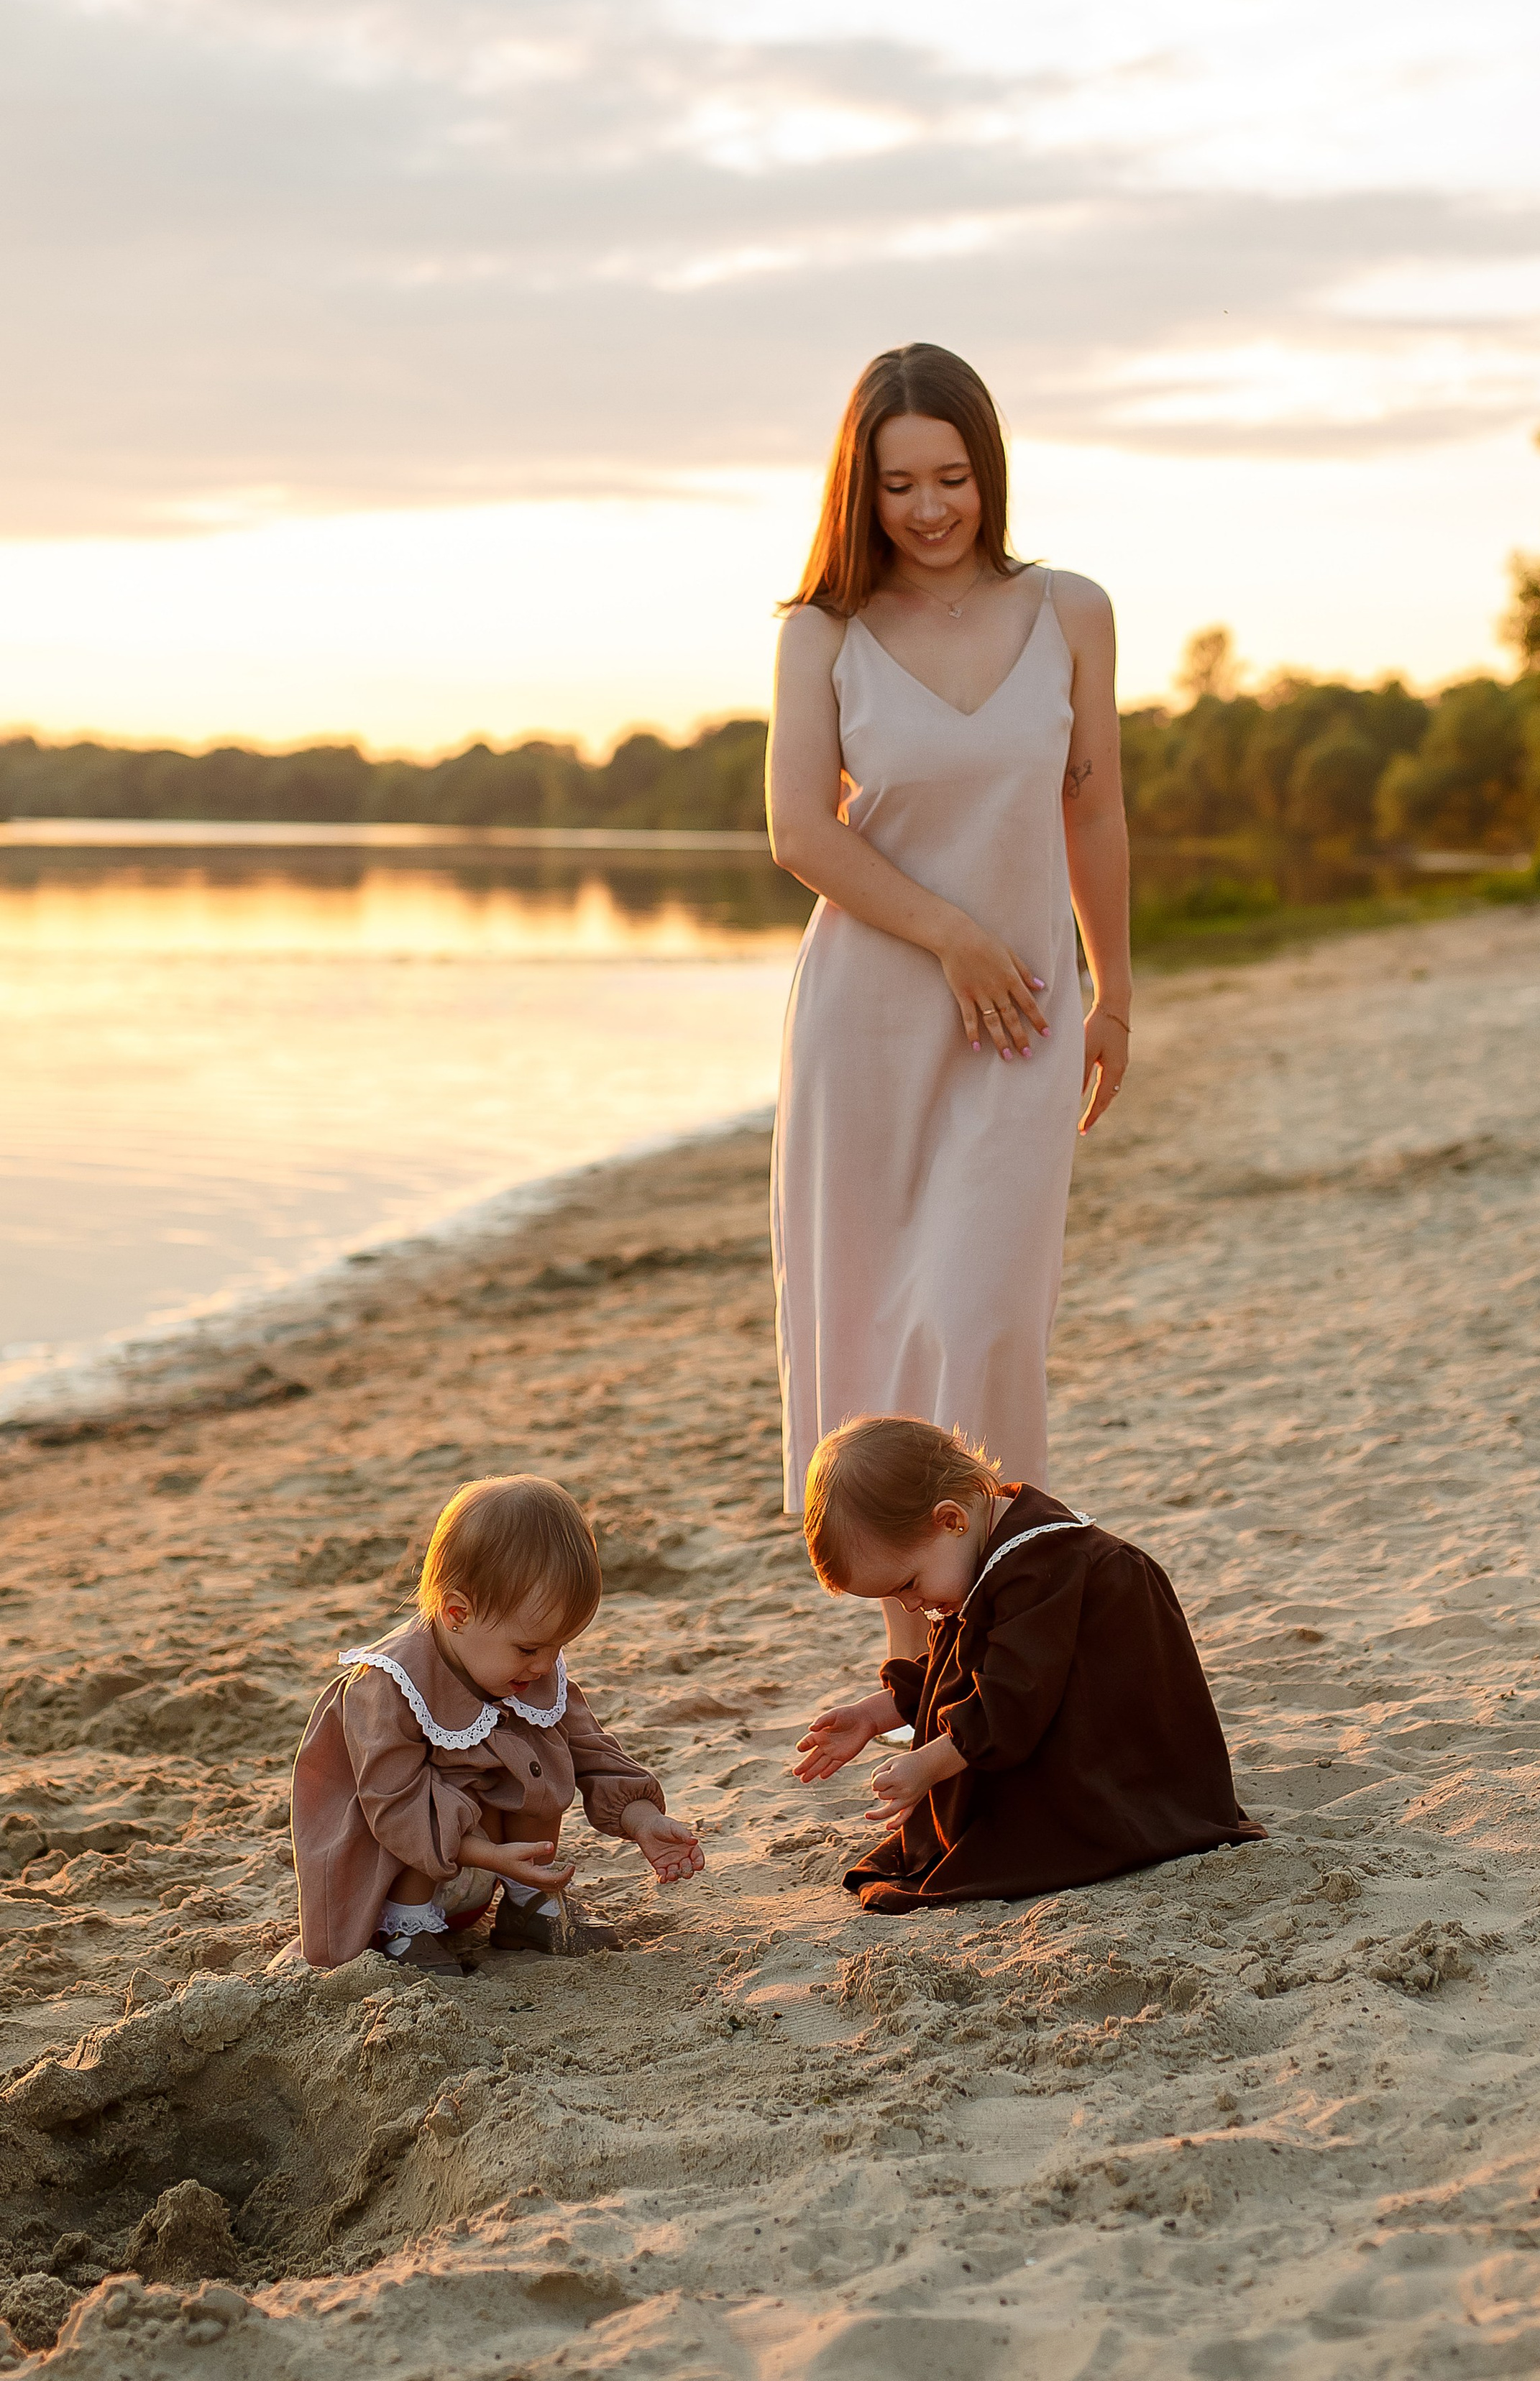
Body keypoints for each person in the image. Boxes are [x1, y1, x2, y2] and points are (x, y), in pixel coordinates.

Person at [766, 342, 1132, 1667]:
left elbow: (1092, 805)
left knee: (979, 1327)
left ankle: (1008, 1633)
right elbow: (800, 831)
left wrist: (1117, 993)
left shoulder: (1073, 610)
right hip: (868, 1022)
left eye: (953, 479)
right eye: (900, 484)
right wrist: (951, 936)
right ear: (859, 492)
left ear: (991, 474)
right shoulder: (823, 635)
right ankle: (916, 1670)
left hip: (1025, 1019)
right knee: (867, 1333)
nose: (929, 510)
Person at [792, 1415, 1262, 1912]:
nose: (911, 1605)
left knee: (992, 1852)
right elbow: (965, 1663)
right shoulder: (985, 1551)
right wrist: (875, 1713)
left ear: (951, 1519)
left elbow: (1010, 1701)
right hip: (1060, 1734)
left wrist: (928, 1764)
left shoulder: (1045, 1565)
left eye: (907, 1584)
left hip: (1122, 1783)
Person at [290, 1475, 702, 1972]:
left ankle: (531, 1908)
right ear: (457, 1612)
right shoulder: (386, 1686)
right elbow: (394, 1807)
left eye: (558, 1646)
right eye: (529, 1648)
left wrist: (642, 1821)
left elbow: (589, 1750)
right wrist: (488, 1855)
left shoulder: (527, 1669)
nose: (543, 1664)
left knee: (539, 1757)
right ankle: (409, 1936)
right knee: (429, 1791)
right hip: (394, 1881)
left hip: (497, 1867)